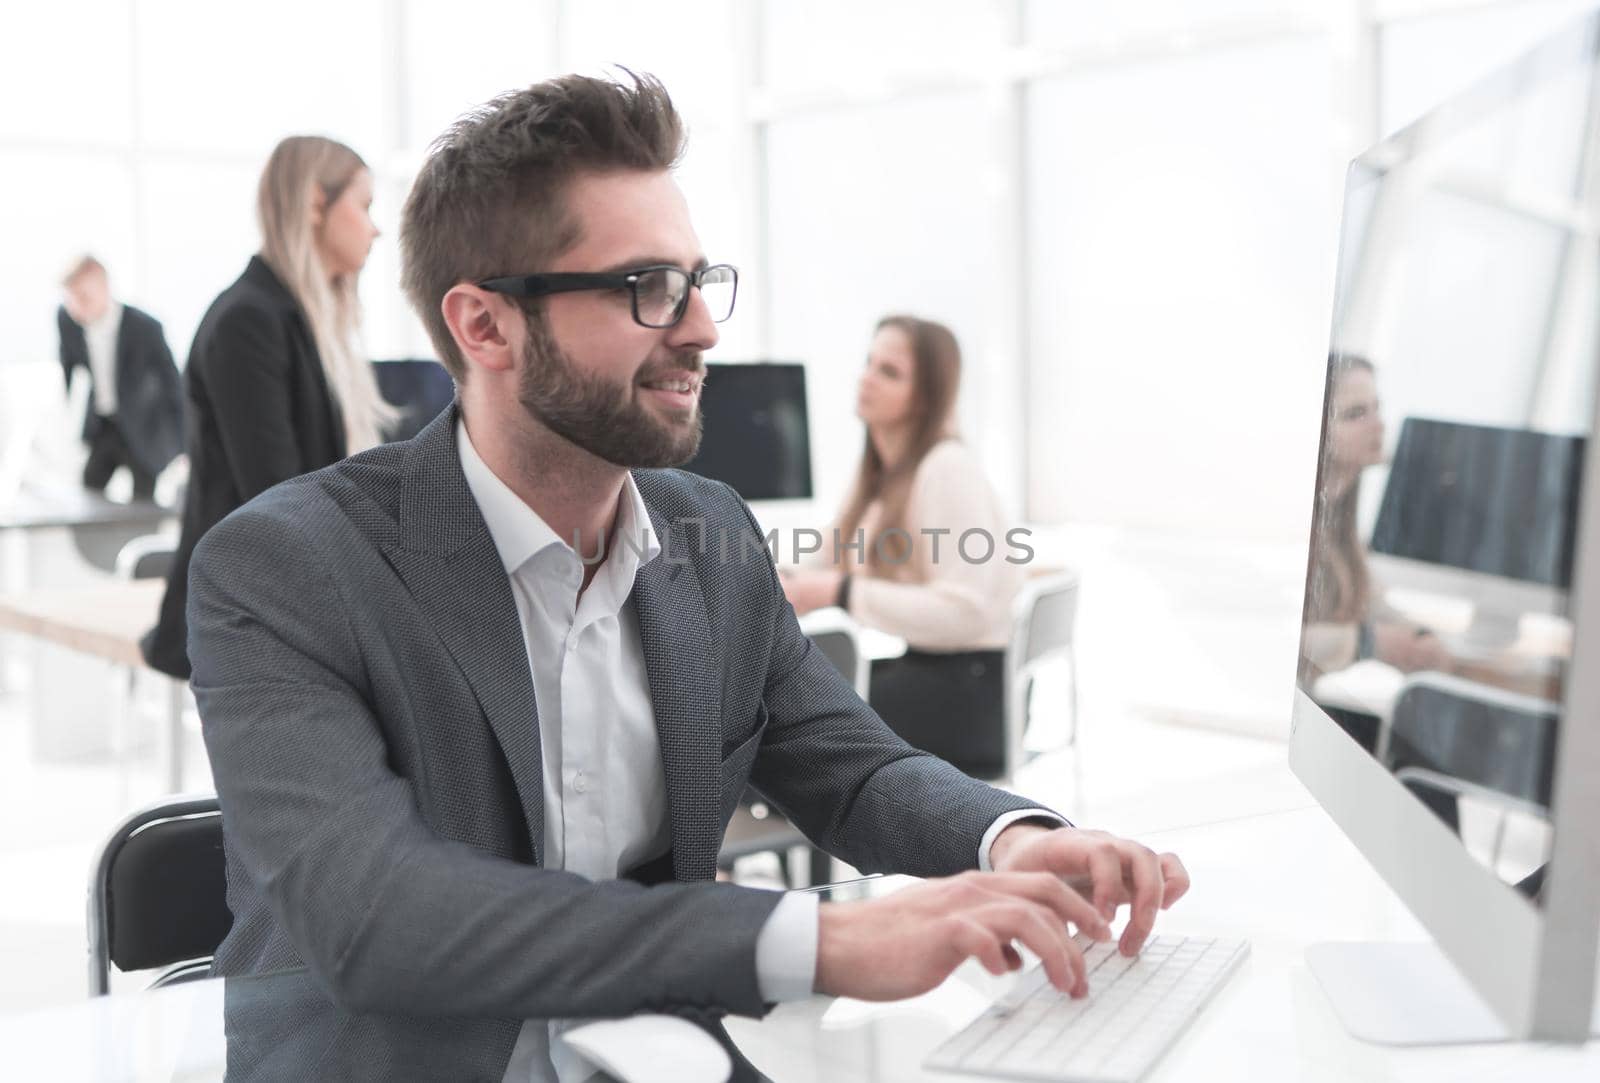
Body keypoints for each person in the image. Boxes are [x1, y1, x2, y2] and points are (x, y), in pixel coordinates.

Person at [188, 73, 1189, 1080]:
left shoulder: (705, 530)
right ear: (485, 326)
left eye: (699, 283)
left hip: (654, 1054)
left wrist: (1006, 839)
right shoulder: (286, 568)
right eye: (646, 288)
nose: (703, 330)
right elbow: (377, 917)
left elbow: (850, 765)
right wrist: (817, 942)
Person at [140, 135, 391, 679]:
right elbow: (278, 496)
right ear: (315, 205)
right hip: (246, 613)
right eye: (365, 206)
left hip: (284, 602)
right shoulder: (249, 321)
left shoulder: (297, 319)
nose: (376, 227)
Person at [780, 316, 1023, 777]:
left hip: (969, 701)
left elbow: (965, 612)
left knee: (791, 724)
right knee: (787, 710)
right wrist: (775, 579)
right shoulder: (880, 475)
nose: (866, 378)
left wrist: (840, 592)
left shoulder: (946, 468)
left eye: (889, 372)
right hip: (931, 679)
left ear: (927, 397)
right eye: (869, 363)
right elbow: (821, 560)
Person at [1302, 352, 1452, 681]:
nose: (1379, 425)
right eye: (1356, 414)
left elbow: (1371, 599)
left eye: (1376, 408)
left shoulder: (1338, 519)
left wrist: (1420, 637)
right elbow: (1283, 639)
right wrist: (1370, 644)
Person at [56, 256, 183, 501]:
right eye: (71, 299)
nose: (76, 307)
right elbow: (68, 362)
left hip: (142, 428)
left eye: (84, 297)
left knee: (143, 503)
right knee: (87, 491)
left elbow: (173, 385)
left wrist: (181, 444)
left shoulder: (146, 328)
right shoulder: (67, 320)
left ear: (104, 289)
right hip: (103, 425)